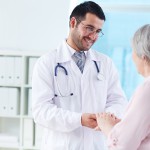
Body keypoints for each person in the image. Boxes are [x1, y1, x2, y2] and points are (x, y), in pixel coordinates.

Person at [32, 1, 127, 150]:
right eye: (89, 28)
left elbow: (118, 101)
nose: (93, 36)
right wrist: (79, 120)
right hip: (62, 145)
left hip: (97, 145)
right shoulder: (47, 63)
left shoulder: (105, 63)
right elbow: (41, 111)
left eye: (98, 31)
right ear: (73, 22)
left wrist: (106, 117)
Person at [96, 24, 150, 150]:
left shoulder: (146, 90)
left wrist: (106, 126)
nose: (132, 56)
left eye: (133, 50)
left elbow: (122, 145)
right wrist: (123, 126)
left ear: (143, 57)